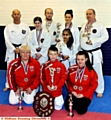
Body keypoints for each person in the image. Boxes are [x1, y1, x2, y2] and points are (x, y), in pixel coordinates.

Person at [80, 8, 109, 97]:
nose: (88, 15)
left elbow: (106, 36)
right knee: (85, 72)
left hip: (94, 53)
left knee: (97, 72)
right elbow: (81, 38)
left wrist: (94, 41)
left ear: (94, 15)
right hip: (85, 53)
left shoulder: (100, 25)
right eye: (87, 14)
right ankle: (86, 87)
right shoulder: (83, 25)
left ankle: (99, 90)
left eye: (90, 14)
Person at [3, 9, 30, 91]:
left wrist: (21, 48)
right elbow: (6, 39)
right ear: (12, 15)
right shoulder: (8, 27)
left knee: (23, 67)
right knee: (9, 67)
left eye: (18, 14)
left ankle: (22, 84)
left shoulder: (25, 26)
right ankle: (8, 84)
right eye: (14, 14)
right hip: (11, 51)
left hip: (22, 50)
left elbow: (27, 38)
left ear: (20, 15)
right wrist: (14, 48)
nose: (16, 16)